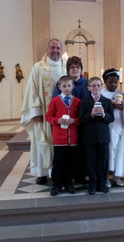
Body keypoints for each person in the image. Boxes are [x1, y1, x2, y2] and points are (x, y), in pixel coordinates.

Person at [21, 39, 67, 185]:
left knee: (61, 144)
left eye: (58, 48)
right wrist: (35, 111)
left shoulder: (66, 67)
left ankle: (61, 171)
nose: (55, 51)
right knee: (42, 141)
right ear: (47, 50)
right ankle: (42, 172)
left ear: (62, 50)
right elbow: (32, 90)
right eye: (52, 48)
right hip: (44, 113)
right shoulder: (38, 67)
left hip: (62, 115)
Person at [52, 56, 90, 184]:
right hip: (66, 126)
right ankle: (64, 180)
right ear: (68, 69)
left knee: (81, 151)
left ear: (81, 69)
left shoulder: (87, 83)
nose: (75, 69)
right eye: (72, 67)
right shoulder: (62, 84)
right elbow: (56, 103)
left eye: (78, 67)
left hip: (83, 123)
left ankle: (80, 176)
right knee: (66, 155)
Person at [45, 75, 80, 196]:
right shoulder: (55, 101)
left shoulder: (77, 101)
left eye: (69, 85)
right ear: (59, 87)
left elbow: (80, 118)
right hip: (59, 139)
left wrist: (74, 121)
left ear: (73, 86)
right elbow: (48, 117)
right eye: (64, 86)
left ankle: (69, 183)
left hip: (73, 139)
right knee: (59, 162)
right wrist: (57, 121)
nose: (67, 88)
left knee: (71, 162)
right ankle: (57, 184)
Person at [79, 77, 114, 195]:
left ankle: (102, 184)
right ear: (89, 88)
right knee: (90, 161)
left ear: (102, 87)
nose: (96, 88)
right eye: (93, 85)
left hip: (103, 136)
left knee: (103, 161)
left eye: (98, 85)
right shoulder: (84, 101)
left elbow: (111, 118)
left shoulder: (107, 101)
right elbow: (81, 119)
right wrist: (91, 114)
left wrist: (104, 114)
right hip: (89, 137)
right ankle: (92, 184)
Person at [101, 68, 124, 188]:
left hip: (118, 124)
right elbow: (101, 108)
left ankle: (117, 176)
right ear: (105, 81)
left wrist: (123, 107)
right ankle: (106, 177)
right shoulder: (102, 93)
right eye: (110, 82)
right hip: (108, 127)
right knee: (108, 152)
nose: (113, 84)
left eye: (115, 82)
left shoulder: (120, 93)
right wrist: (112, 106)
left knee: (118, 151)